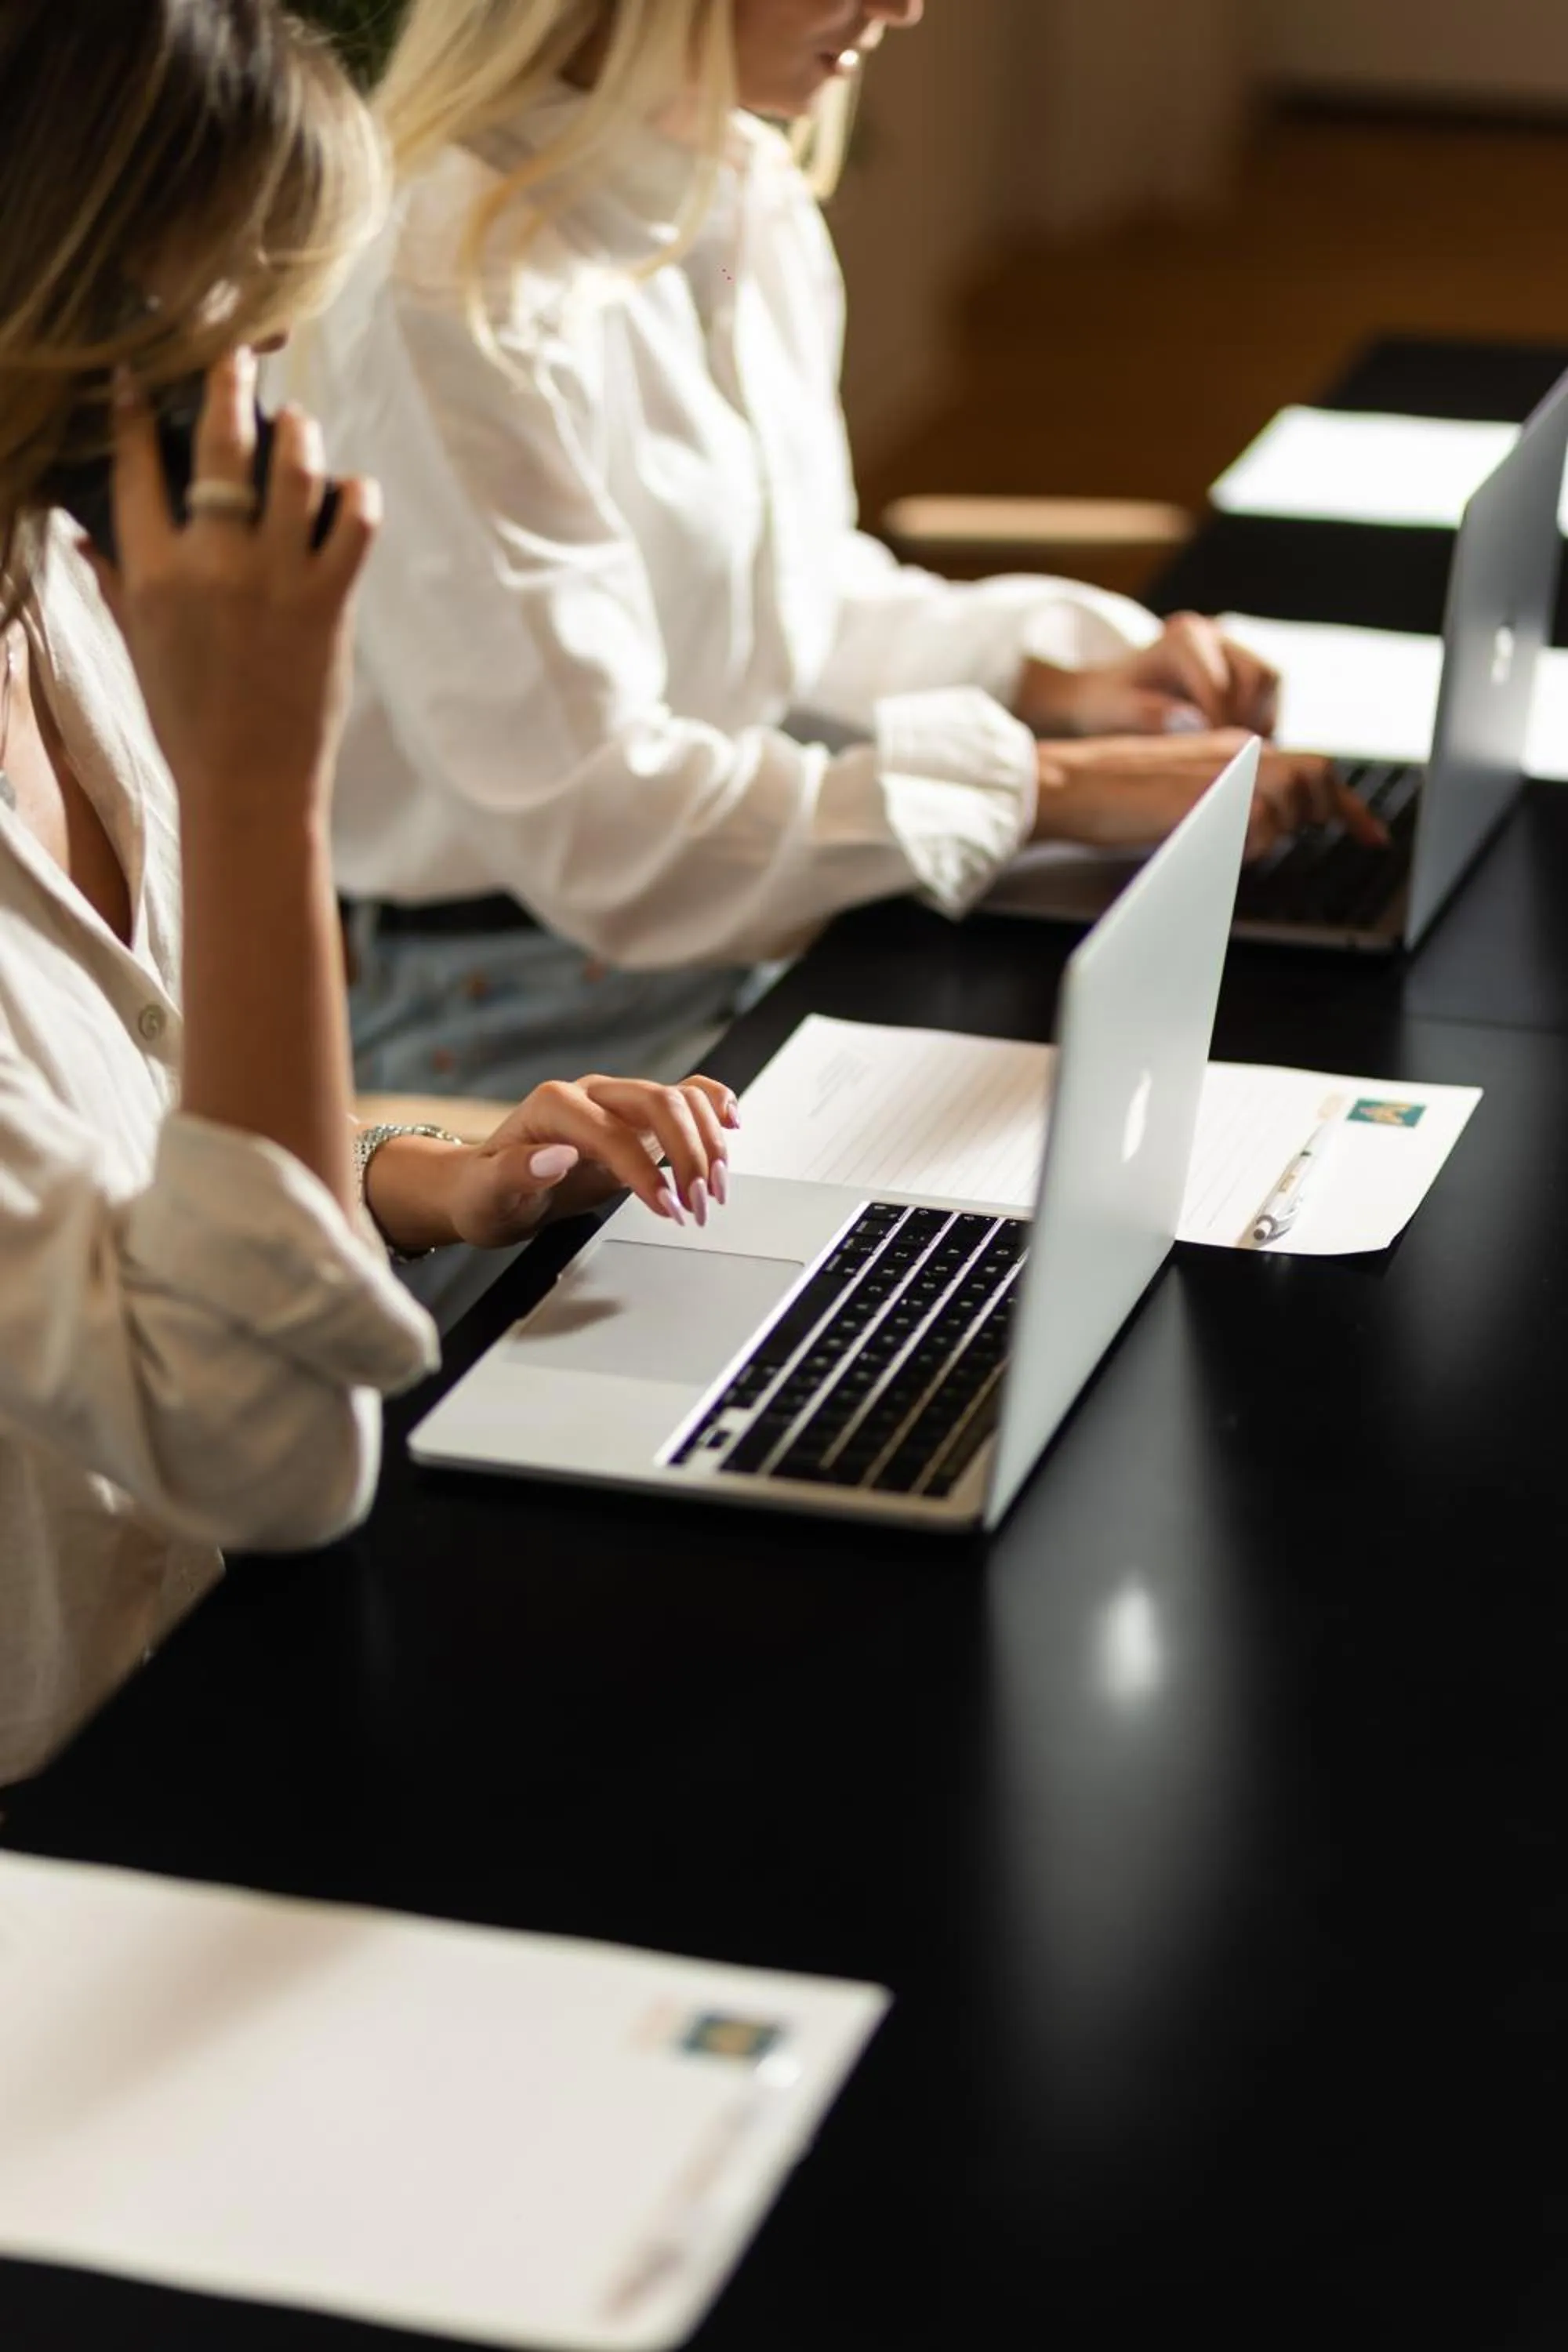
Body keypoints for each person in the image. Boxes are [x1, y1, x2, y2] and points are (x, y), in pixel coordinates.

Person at [0, 0, 731, 1789]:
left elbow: (135, 1134)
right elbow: (269, 1448)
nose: (264, 415)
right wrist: (265, 779)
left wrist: (403, 1177)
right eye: (223, 332)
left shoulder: (58, 592)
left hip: (212, 1644)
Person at [299, 0, 1383, 1105]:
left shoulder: (734, 186)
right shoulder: (440, 286)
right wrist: (1050, 787)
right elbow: (601, 828)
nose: (904, 8)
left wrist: (1051, 676)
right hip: (526, 1032)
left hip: (763, 924)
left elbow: (788, 603)